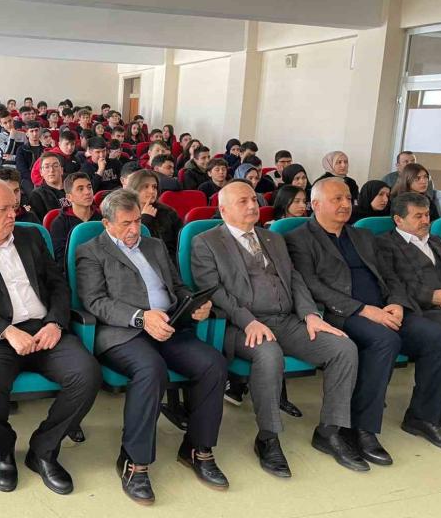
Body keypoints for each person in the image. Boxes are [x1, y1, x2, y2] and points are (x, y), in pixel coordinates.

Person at [0, 178, 100, 494]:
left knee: (87, 375)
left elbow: (58, 285)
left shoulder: (31, 236)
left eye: (13, 207)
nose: (13, 215)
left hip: (45, 329)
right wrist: (6, 330)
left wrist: (55, 323)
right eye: (3, 210)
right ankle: (3, 454)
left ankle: (43, 450)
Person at [192, 181, 361, 476]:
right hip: (240, 325)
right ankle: (268, 438)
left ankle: (330, 430)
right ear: (224, 210)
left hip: (286, 320)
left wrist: (310, 314)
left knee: (343, 349)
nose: (252, 206)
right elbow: (214, 291)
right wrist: (248, 321)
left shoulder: (273, 238)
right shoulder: (206, 242)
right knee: (269, 354)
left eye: (254, 200)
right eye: (243, 201)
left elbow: (295, 280)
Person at [285, 177, 441, 460]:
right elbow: (311, 285)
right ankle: (363, 427)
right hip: (342, 313)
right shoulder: (299, 239)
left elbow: (390, 275)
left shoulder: (362, 236)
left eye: (347, 198)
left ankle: (423, 416)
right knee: (385, 340)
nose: (345, 204)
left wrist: (397, 302)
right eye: (337, 199)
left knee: (440, 337)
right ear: (315, 204)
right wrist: (363, 309)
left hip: (385, 309)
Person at [76, 189, 227, 503]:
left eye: (137, 221)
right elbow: (95, 302)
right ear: (106, 224)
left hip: (170, 326)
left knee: (213, 364)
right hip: (123, 333)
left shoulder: (155, 245)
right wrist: (141, 317)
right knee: (151, 369)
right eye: (126, 223)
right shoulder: (90, 251)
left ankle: (197, 448)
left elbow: (178, 287)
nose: (135, 229)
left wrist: (195, 305)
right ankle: (134, 461)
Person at [378, 192, 441, 437]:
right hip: (417, 311)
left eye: (427, 215)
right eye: (418, 216)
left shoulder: (436, 241)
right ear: (398, 219)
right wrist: (431, 296)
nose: (425, 220)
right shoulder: (386, 244)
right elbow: (391, 284)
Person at [126, 170, 182, 261]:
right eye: (146, 186)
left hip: (167, 261)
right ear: (134, 189)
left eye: (154, 187)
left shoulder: (168, 212)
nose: (152, 191)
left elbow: (180, 244)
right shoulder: (124, 212)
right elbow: (128, 245)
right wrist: (145, 219)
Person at [48, 172, 100, 267]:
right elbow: (62, 260)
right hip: (77, 269)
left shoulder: (102, 217)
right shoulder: (59, 223)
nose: (87, 192)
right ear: (69, 197)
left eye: (89, 187)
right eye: (80, 189)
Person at [29, 154, 68, 220]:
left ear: (61, 170)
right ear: (41, 172)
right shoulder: (37, 195)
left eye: (55, 166)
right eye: (47, 167)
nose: (51, 170)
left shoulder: (72, 189)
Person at [15, 122, 45, 195]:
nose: (34, 134)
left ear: (40, 132)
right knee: (36, 194)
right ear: (27, 134)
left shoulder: (45, 149)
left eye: (36, 130)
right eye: (31, 131)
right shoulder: (21, 149)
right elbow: (21, 169)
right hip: (28, 179)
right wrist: (35, 178)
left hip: (44, 177)